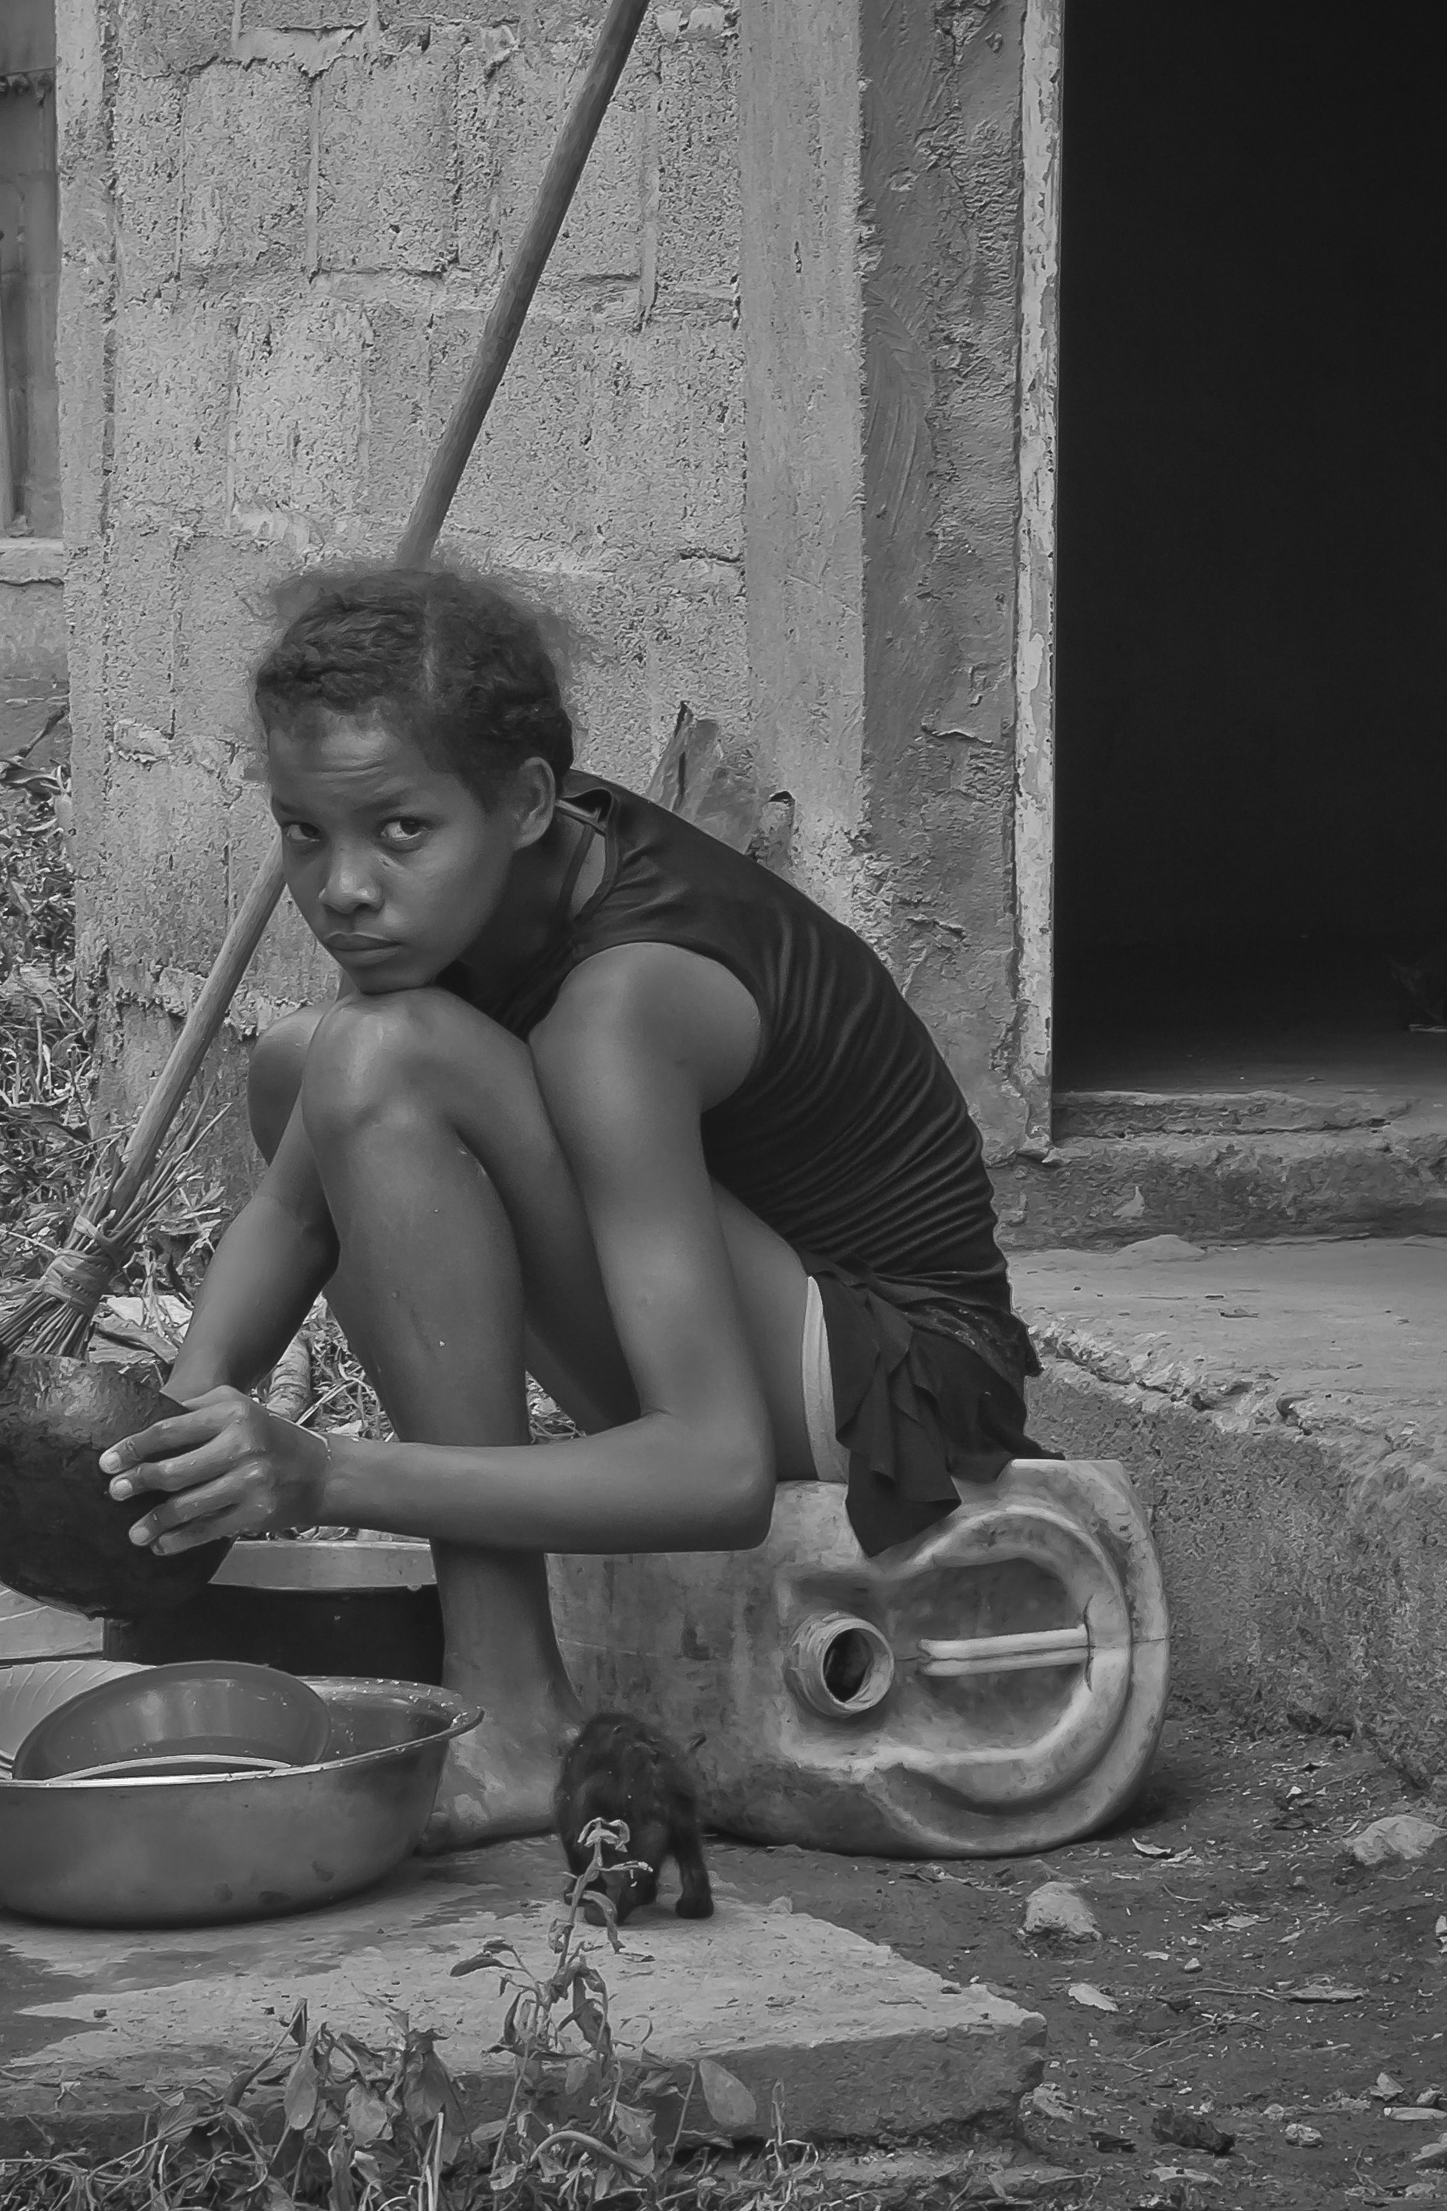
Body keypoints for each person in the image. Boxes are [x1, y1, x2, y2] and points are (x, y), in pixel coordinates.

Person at [98, 567, 1041, 1848]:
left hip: (893, 1386)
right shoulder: (506, 884)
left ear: (527, 802)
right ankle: (481, 1683)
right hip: (744, 1327)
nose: (342, 888)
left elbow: (713, 1479)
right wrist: (164, 1464)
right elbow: (294, 1203)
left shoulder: (625, 1001)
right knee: (306, 1067)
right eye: (303, 831)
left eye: (398, 830)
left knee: (378, 1061)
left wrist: (325, 1473)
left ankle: (515, 1716)